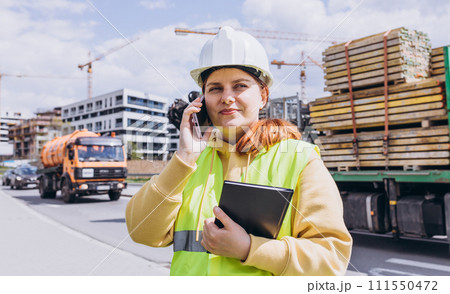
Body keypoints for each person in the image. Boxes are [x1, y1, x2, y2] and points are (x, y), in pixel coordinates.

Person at [126, 26, 352, 276]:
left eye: (240, 86)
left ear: (263, 96)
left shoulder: (299, 158)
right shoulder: (190, 162)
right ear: (201, 100)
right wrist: (183, 158)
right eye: (215, 88)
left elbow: (332, 262)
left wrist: (249, 248)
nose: (227, 97)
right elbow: (141, 232)